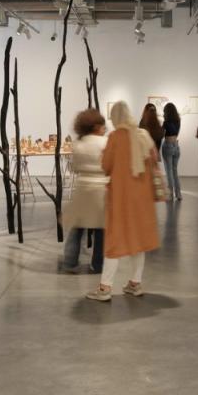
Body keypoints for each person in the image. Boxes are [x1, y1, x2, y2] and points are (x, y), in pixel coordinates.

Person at [87, 101, 160, 302]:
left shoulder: (115, 137)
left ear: (115, 118)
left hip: (121, 198)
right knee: (138, 240)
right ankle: (135, 283)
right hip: (142, 199)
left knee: (114, 241)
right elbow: (153, 161)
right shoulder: (143, 135)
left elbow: (106, 165)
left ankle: (105, 288)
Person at [60, 108, 108, 274]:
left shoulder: (78, 144)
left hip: (82, 189)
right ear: (95, 126)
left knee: (77, 228)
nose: (105, 129)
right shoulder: (106, 143)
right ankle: (98, 264)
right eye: (103, 126)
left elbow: (73, 167)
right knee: (101, 230)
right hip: (101, 190)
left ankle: (70, 262)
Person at [161, 102, 183, 201]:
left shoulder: (166, 122)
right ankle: (178, 194)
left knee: (169, 171)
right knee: (174, 171)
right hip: (176, 146)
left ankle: (170, 195)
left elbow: (161, 134)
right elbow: (176, 133)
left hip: (168, 146)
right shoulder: (178, 120)